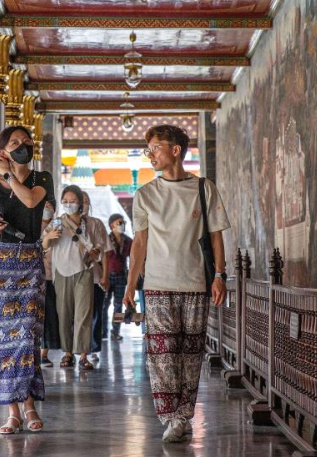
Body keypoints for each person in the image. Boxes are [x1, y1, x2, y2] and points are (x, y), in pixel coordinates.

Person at [123, 124, 230, 443]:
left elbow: (216, 236)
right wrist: (130, 286)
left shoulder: (203, 188)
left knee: (191, 353)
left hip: (196, 284)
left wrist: (220, 275)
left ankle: (184, 414)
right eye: (148, 149)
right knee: (162, 356)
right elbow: (139, 243)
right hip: (156, 286)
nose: (150, 155)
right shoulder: (144, 195)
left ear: (175, 150)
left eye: (155, 148)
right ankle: (169, 416)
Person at [0, 125, 55, 435]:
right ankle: (12, 412)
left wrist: (10, 174)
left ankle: (30, 405)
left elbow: (29, 202)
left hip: (29, 262)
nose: (23, 145)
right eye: (14, 142)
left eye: (26, 141)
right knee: (1, 339)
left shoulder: (42, 179)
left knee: (26, 336)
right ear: (3, 151)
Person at [42, 186, 107, 371]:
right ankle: (68, 353)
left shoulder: (92, 224)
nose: (69, 204)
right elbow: (44, 245)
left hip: (84, 271)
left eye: (72, 201)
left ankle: (84, 355)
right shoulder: (57, 223)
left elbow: (101, 247)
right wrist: (50, 237)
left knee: (84, 314)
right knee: (64, 314)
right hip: (62, 272)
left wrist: (95, 252)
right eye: (65, 201)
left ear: (80, 203)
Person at [83, 191, 112, 361]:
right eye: (82, 201)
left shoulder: (97, 224)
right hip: (73, 276)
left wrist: (105, 276)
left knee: (95, 314)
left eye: (87, 201)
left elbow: (106, 252)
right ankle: (74, 349)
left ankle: (92, 348)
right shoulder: (64, 223)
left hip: (94, 276)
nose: (84, 204)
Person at [40, 202, 62, 367]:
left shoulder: (58, 225)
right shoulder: (30, 223)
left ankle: (44, 352)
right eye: (44, 204)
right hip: (34, 276)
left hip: (54, 276)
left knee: (50, 316)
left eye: (50, 205)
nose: (47, 207)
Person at [103, 213, 131, 341]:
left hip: (121, 277)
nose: (122, 225)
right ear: (111, 226)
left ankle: (115, 331)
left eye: (123, 222)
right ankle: (102, 331)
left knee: (118, 305)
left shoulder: (128, 241)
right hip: (107, 276)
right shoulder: (105, 240)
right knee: (105, 305)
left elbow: (134, 258)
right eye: (119, 223)